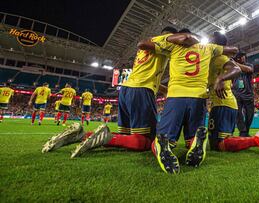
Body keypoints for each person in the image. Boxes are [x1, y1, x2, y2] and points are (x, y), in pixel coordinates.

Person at [41, 27, 183, 156]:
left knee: (127, 137)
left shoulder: (151, 46)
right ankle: (107, 137)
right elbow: (143, 44)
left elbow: (146, 73)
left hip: (127, 89)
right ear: (170, 36)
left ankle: (80, 135)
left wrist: (164, 89)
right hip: (141, 91)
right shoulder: (165, 41)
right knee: (146, 140)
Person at [139, 30, 238, 173]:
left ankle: (162, 146)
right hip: (199, 98)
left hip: (176, 96)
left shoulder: (173, 46)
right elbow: (233, 50)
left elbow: (142, 44)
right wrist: (221, 77)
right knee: (192, 137)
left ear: (180, 37)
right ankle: (196, 143)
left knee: (163, 138)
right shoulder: (209, 48)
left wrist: (168, 38)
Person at [207, 33, 259, 155]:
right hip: (224, 103)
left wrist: (220, 79)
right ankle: (251, 139)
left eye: (211, 40)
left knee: (218, 145)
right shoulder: (213, 59)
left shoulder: (220, 58)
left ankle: (256, 140)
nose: (208, 43)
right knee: (221, 142)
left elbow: (236, 70)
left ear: (216, 44)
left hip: (222, 104)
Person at [232, 51, 254, 137]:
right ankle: (243, 131)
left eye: (243, 56)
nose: (243, 58)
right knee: (238, 114)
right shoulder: (233, 67)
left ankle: (246, 130)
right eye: (240, 57)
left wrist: (235, 63)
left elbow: (249, 70)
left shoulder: (249, 65)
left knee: (250, 114)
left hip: (248, 94)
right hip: (237, 93)